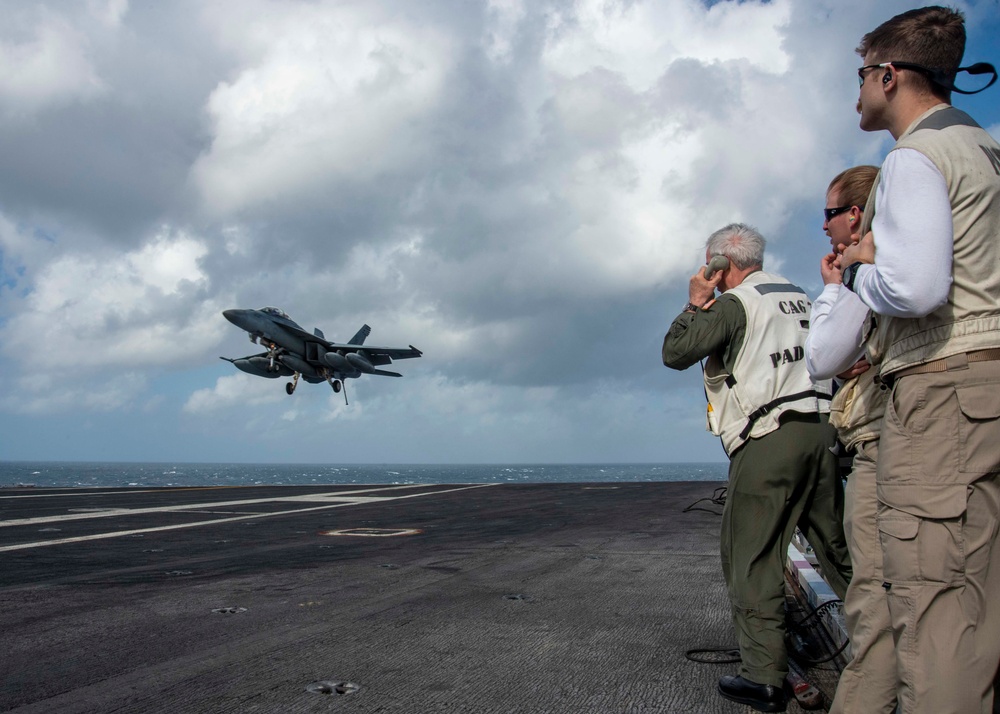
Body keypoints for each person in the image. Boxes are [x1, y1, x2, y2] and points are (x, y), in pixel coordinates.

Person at [839, 6, 1000, 713]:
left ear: (890, 74)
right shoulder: (983, 146)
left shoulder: (914, 156)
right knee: (976, 597)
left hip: (941, 387)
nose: (858, 93)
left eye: (863, 75)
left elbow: (919, 288)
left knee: (928, 602)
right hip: (983, 387)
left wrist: (859, 268)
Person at [663, 223, 852, 713]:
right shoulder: (801, 296)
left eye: (710, 264)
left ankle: (763, 675)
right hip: (825, 432)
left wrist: (693, 301)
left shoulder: (735, 304)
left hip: (770, 439)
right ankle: (888, 652)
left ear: (720, 265)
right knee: (839, 552)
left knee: (751, 556)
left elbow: (676, 353)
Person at [804, 165, 898, 714]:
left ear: (855, 215)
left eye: (830, 214)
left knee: (876, 593)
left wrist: (834, 289)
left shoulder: (868, 264)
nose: (825, 227)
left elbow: (823, 358)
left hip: (884, 440)